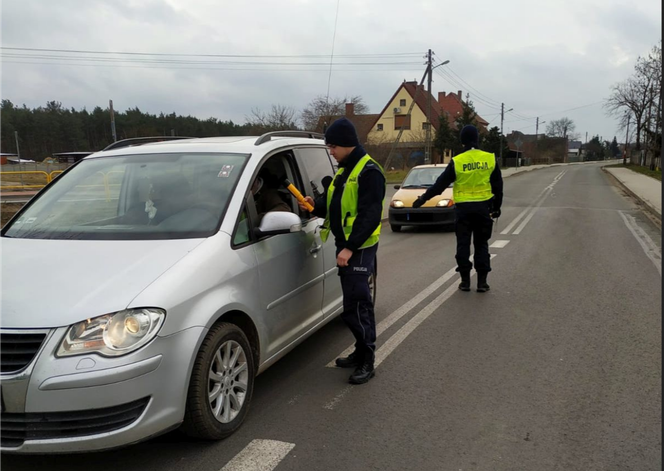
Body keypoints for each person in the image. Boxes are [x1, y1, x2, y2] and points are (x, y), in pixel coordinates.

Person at [298, 117, 386, 385]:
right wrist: (316, 206)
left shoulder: (369, 171)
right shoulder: (344, 169)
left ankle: (368, 360)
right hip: (346, 246)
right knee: (350, 306)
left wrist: (348, 248)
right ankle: (360, 351)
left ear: (347, 144)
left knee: (358, 306)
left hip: (359, 248)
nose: (330, 151)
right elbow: (334, 203)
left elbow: (370, 216)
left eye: (333, 146)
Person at [413, 125, 503, 292]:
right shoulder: (490, 158)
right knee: (481, 244)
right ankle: (482, 282)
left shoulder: (458, 161)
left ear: (462, 141)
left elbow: (440, 185)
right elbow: (498, 186)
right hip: (484, 209)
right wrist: (497, 207)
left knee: (463, 245)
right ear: (477, 139)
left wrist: (423, 199)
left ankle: (465, 281)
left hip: (463, 211)